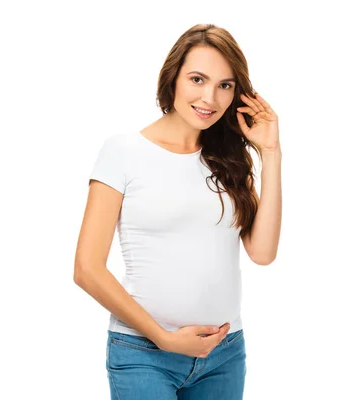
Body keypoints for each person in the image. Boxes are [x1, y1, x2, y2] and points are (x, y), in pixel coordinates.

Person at [73, 23, 282, 399]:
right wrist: (165, 339)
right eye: (197, 79)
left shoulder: (230, 160)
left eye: (225, 85)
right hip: (144, 353)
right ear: (173, 78)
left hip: (224, 353)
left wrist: (270, 153)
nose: (210, 98)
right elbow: (87, 269)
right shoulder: (123, 152)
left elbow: (263, 253)